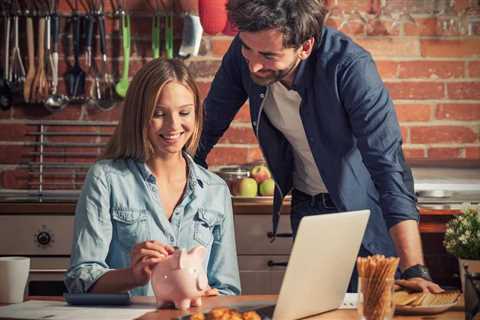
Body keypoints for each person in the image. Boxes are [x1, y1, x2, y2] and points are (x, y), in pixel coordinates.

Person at [194, 0, 442, 293]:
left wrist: (416, 269)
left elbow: (388, 167)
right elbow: (205, 128)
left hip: (366, 213)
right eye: (247, 49)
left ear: (305, 47)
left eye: (269, 55)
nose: (254, 64)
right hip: (309, 207)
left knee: (372, 308)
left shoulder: (350, 68)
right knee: (314, 307)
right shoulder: (244, 54)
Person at [65, 58, 241, 297]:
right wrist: (133, 275)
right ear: (139, 116)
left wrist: (209, 294)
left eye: (184, 113)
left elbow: (227, 290)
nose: (173, 125)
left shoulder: (215, 190)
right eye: (159, 113)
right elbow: (80, 278)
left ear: (196, 116)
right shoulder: (107, 179)